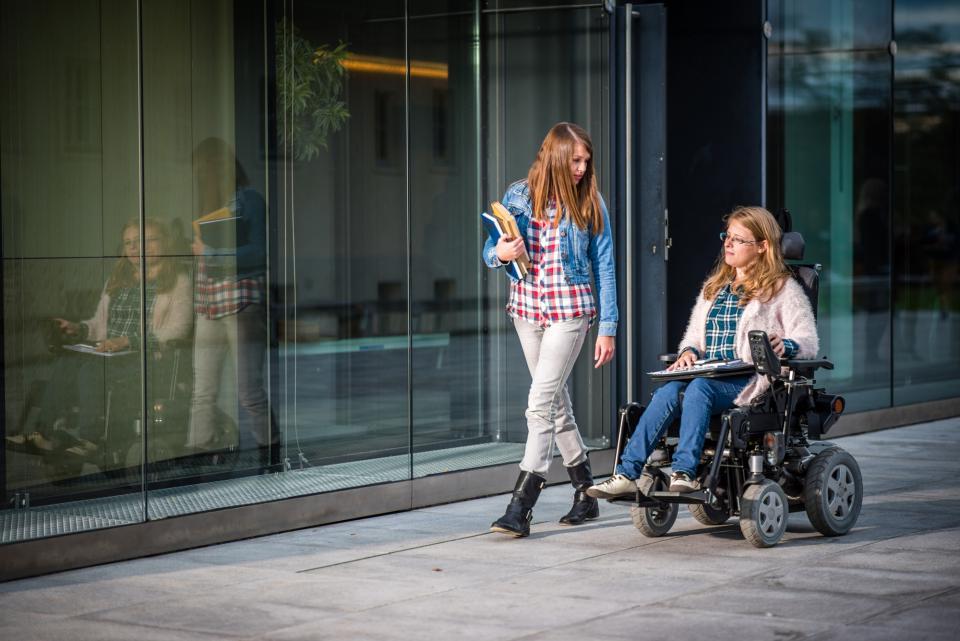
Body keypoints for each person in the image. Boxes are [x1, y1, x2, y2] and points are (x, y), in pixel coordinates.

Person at [587, 206, 818, 498]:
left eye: (738, 239)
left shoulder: (783, 289)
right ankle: (626, 473)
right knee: (669, 392)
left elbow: (808, 340)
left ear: (762, 247)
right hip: (711, 372)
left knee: (699, 389)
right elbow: (694, 336)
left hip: (752, 380)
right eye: (727, 236)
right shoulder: (715, 287)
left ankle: (685, 471)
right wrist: (688, 351)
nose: (728, 244)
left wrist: (787, 345)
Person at [484, 122, 617, 537]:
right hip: (527, 310)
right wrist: (501, 253)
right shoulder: (518, 195)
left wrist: (608, 327)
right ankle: (585, 491)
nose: (582, 168)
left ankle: (522, 504)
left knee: (539, 404)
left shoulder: (590, 201)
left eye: (585, 161)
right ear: (556, 156)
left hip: (569, 313)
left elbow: (605, 266)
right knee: (556, 406)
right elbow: (492, 249)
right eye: (575, 160)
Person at [7, 218, 192, 457]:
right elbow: (98, 325)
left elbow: (178, 330)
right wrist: (80, 329)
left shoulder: (179, 281)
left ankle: (91, 440)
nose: (136, 247)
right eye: (129, 243)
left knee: (91, 370)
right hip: (110, 354)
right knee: (68, 361)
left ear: (164, 243)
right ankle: (43, 435)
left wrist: (128, 341)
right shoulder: (118, 280)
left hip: (147, 361)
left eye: (147, 240)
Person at [186, 137, 275, 470]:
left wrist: (211, 253)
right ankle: (195, 459)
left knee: (248, 390)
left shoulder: (248, 200)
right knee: (202, 390)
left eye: (204, 171)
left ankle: (271, 457)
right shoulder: (203, 206)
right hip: (208, 303)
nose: (201, 178)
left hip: (241, 302)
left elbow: (258, 252)